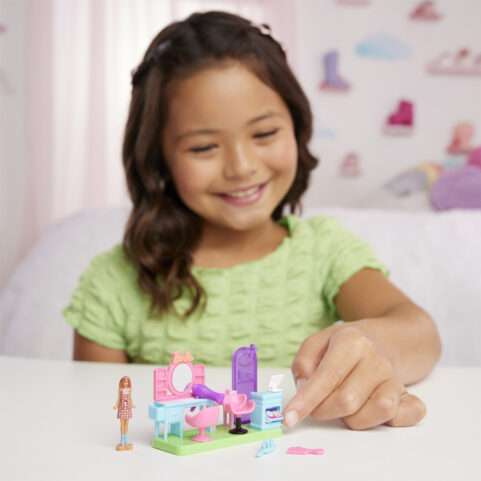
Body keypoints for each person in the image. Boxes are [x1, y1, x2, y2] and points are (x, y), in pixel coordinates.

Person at [63, 11, 441, 431]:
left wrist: (376, 344)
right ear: (158, 160)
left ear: (296, 127)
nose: (241, 167)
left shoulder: (324, 250)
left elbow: (421, 332)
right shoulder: (111, 283)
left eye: (263, 134)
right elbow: (98, 422)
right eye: (204, 147)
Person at [114, 376, 136, 450]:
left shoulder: (129, 390)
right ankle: (122, 439)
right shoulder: (120, 390)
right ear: (122, 383)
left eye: (127, 382)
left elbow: (130, 398)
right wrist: (116, 405)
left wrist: (132, 404)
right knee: (122, 423)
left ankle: (126, 438)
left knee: (126, 423)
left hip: (128, 408)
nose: (125, 383)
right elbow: (119, 398)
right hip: (122, 407)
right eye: (124, 382)